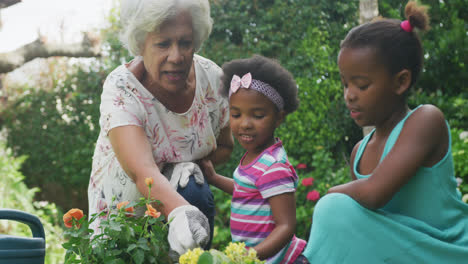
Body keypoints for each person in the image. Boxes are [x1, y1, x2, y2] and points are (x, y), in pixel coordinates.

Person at [302, 1, 468, 263]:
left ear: (401, 81)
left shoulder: (425, 120)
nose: (349, 96)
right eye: (345, 84)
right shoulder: (360, 151)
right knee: (336, 213)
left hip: (445, 249)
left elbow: (374, 193)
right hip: (398, 250)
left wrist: (331, 192)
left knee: (331, 208)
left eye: (362, 85)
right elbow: (366, 223)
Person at [87, 0, 234, 259]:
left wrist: (192, 166)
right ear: (141, 44)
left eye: (185, 43)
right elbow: (141, 169)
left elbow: (224, 147)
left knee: (191, 187)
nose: (176, 57)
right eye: (163, 44)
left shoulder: (213, 80)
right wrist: (179, 212)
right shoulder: (122, 88)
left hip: (187, 201)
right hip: (124, 223)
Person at [199, 55, 309, 264]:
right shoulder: (255, 156)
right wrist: (214, 178)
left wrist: (250, 256)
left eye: (257, 116)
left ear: (279, 117)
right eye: (236, 114)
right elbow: (248, 191)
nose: (245, 124)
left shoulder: (274, 167)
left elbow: (286, 226)